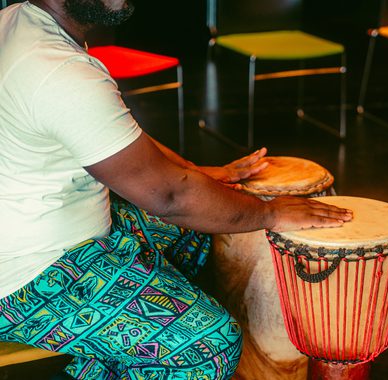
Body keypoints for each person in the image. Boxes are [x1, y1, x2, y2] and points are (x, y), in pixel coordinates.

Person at [0, 1, 352, 379]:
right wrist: (271, 211)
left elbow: (114, 133)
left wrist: (194, 171)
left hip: (42, 234)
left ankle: (108, 358)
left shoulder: (18, 21)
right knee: (209, 347)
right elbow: (169, 198)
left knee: (199, 233)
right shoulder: (58, 70)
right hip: (30, 277)